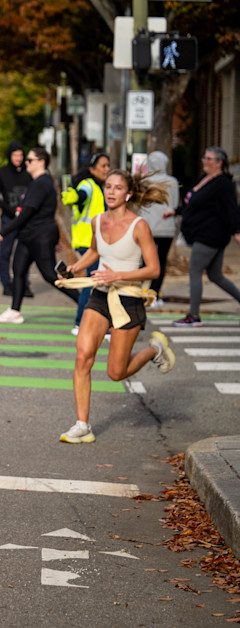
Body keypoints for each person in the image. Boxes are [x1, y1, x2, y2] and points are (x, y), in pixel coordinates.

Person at [58, 169, 175, 443]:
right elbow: (95, 252)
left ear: (128, 193)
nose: (111, 192)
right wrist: (77, 266)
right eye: (108, 186)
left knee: (116, 372)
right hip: (100, 295)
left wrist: (117, 275)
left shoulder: (139, 226)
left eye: (117, 188)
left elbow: (154, 268)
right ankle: (82, 424)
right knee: (83, 355)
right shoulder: (98, 221)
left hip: (128, 299)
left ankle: (155, 349)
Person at [0, 147, 80, 323]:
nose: (26, 163)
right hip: (30, 235)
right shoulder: (38, 182)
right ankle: (14, 311)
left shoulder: (42, 183)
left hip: (39, 236)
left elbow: (27, 212)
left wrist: (4, 232)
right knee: (18, 269)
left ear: (41, 162)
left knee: (50, 274)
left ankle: (85, 304)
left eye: (30, 160)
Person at [170, 147, 240, 327]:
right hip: (203, 234)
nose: (204, 161)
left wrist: (237, 231)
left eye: (209, 159)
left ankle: (193, 316)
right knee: (216, 275)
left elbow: (232, 209)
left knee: (194, 270)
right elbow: (192, 203)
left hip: (210, 235)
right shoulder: (205, 180)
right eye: (204, 158)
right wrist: (175, 211)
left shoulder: (223, 184)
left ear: (219, 163)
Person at [61, 152, 110, 335]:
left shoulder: (100, 187)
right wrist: (74, 197)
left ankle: (94, 323)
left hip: (96, 241)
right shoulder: (88, 184)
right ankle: (80, 323)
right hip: (88, 241)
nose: (107, 169)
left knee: (98, 281)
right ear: (92, 168)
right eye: (103, 165)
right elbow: (81, 195)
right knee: (93, 281)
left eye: (108, 165)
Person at [0, 141, 32, 297]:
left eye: (21, 155)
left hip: (26, 220)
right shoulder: (2, 173)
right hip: (9, 219)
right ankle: (6, 283)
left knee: (25, 253)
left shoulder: (29, 172)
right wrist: (8, 208)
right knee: (5, 252)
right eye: (15, 155)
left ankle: (24, 283)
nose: (18, 158)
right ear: (10, 156)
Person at [138, 151, 180, 309]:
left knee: (143, 261)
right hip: (166, 227)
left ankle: (139, 292)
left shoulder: (144, 182)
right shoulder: (172, 182)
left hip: (146, 227)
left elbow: (139, 205)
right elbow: (174, 203)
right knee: (160, 262)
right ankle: (154, 295)